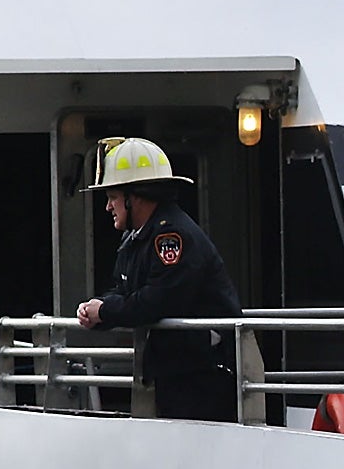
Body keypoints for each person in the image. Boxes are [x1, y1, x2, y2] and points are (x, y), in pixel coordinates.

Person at [75, 136, 241, 423]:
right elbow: (127, 290)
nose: (108, 207)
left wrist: (104, 311)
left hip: (202, 377)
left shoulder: (172, 237)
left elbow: (157, 300)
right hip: (177, 372)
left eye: (113, 197)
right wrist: (99, 307)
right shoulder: (137, 238)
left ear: (135, 196)